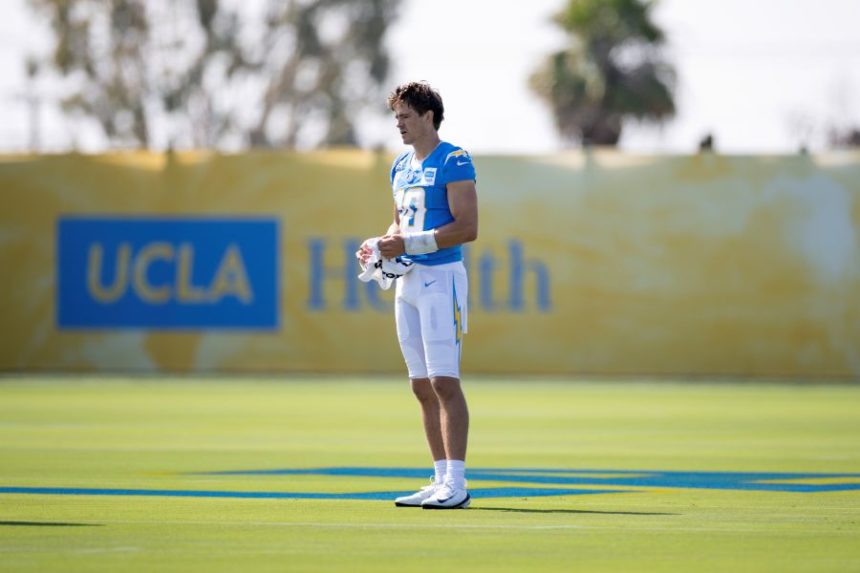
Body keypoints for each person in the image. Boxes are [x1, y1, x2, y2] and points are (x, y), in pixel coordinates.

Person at [358, 81, 478, 509]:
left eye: (406, 117)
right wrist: (380, 244)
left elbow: (467, 228)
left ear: (429, 116)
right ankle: (441, 476)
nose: (400, 125)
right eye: (396, 118)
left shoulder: (454, 159)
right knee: (420, 386)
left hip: (441, 280)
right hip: (407, 283)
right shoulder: (400, 165)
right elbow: (398, 225)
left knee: (445, 381)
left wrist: (407, 244)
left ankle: (458, 484)